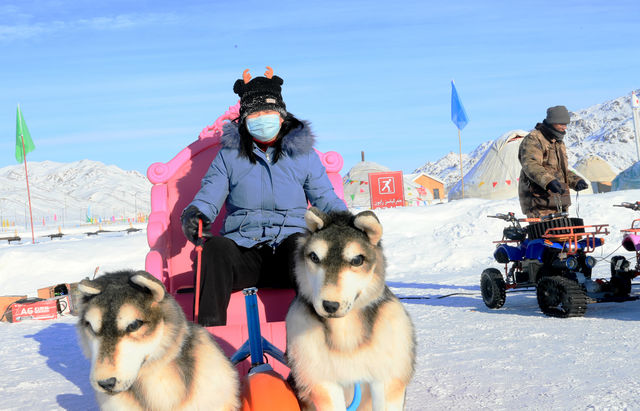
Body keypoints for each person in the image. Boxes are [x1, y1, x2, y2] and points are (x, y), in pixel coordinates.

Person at [180, 67, 347, 326]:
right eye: (255, 113)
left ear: (281, 116)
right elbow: (209, 194)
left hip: (289, 253)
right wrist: (195, 213)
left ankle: (313, 340)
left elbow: (324, 196)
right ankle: (206, 342)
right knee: (214, 249)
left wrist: (346, 221)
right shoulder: (228, 156)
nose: (262, 118)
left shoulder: (303, 156)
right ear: (245, 119)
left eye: (268, 112)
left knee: (304, 247)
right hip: (243, 251)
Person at [518, 105, 589, 218]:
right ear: (552, 122)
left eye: (565, 124)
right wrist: (548, 181)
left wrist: (576, 181)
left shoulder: (558, 142)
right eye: (561, 124)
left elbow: (560, 171)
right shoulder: (534, 139)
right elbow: (530, 164)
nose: (564, 127)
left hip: (559, 201)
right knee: (545, 234)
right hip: (539, 202)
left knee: (565, 235)